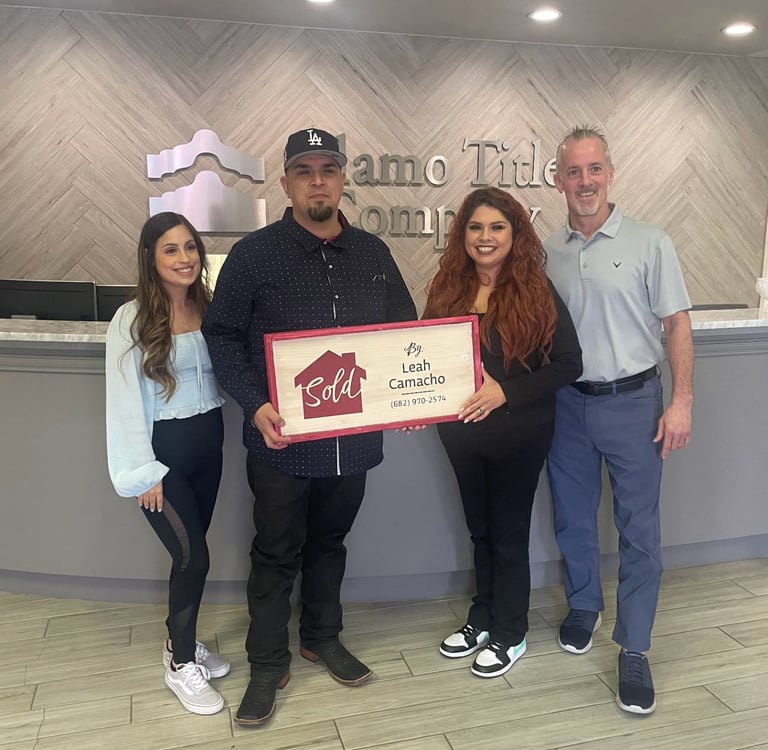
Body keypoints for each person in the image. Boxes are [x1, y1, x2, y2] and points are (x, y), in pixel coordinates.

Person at [202, 127, 417, 726]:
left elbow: (402, 332)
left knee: (330, 543)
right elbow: (220, 334)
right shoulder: (255, 255)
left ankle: (322, 635)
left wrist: (405, 397)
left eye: (328, 168)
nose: (317, 179)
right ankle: (267, 662)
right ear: (287, 183)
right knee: (275, 553)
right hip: (280, 442)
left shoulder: (374, 254)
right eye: (304, 170)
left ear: (343, 177)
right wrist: (252, 401)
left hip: (352, 442)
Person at [544, 126, 693, 715]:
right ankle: (584, 604)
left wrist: (681, 402)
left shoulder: (651, 241)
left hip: (634, 403)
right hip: (566, 406)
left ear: (610, 173)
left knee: (639, 532)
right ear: (558, 180)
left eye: (594, 169)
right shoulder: (545, 248)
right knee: (573, 518)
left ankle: (634, 647)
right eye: (573, 172)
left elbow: (676, 324)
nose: (585, 181)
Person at [423, 187, 582, 678]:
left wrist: (505, 393)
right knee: (480, 529)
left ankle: (511, 632)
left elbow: (569, 365)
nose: (485, 237)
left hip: (520, 433)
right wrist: (411, 403)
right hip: (461, 435)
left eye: (497, 227)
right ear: (462, 234)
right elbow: (422, 355)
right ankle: (482, 618)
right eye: (476, 227)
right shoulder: (446, 288)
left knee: (508, 534)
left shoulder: (537, 289)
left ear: (515, 234)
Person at [105, 212, 230, 716]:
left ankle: (180, 641)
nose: (184, 258)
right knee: (192, 558)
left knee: (193, 554)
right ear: (151, 260)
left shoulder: (210, 308)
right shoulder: (131, 319)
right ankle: (181, 665)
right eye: (171, 250)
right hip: (164, 459)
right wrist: (143, 471)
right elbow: (123, 400)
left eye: (189, 248)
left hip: (210, 448)